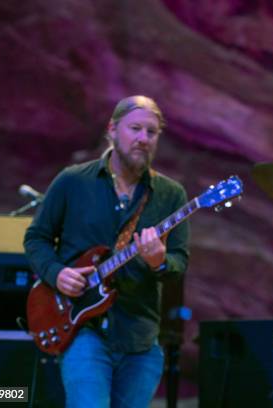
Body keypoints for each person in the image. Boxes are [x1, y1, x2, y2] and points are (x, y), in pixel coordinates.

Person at [24, 95, 189, 408]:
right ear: (112, 130)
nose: (143, 139)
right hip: (84, 331)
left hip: (139, 338)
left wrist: (159, 263)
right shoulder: (73, 181)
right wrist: (57, 274)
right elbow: (37, 238)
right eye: (135, 128)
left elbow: (179, 262)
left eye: (151, 132)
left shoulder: (170, 194)